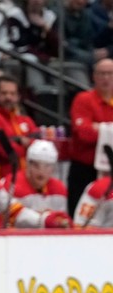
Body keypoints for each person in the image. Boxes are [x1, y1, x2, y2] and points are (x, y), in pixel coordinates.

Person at [68, 59, 113, 215]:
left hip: (111, 170)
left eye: (110, 73)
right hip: (84, 168)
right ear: (94, 76)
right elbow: (84, 134)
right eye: (102, 73)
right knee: (79, 213)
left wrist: (98, 126)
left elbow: (91, 131)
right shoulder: (83, 99)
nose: (106, 78)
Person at [2, 139, 72, 226]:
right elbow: (14, 216)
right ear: (28, 164)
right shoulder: (12, 183)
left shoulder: (59, 189)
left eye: (47, 166)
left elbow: (60, 220)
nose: (41, 171)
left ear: (53, 168)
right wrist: (44, 220)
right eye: (36, 165)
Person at [0, 75, 39, 180]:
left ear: (18, 96)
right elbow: (4, 150)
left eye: (12, 93)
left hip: (28, 179)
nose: (8, 97)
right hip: (3, 178)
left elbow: (39, 144)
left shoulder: (25, 119)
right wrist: (26, 144)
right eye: (4, 93)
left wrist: (19, 141)